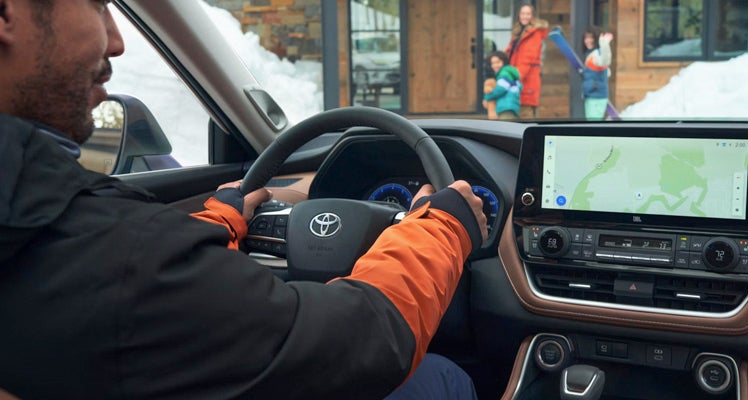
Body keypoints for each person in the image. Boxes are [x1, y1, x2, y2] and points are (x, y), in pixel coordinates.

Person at [0, 1, 487, 399]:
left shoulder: (66, 243)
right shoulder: (115, 262)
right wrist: (442, 228)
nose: (116, 39)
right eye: (97, 4)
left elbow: (168, 286)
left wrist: (218, 223)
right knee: (443, 377)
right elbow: (357, 343)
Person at [505, 3, 548, 119]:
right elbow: (511, 54)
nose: (525, 16)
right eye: (523, 13)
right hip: (517, 81)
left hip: (525, 82)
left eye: (528, 14)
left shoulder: (534, 34)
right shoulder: (519, 32)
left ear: (532, 16)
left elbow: (527, 59)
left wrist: (514, 79)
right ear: (519, 15)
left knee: (526, 117)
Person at [582, 27, 614, 121]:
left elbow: (605, 60)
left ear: (596, 39)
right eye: (586, 38)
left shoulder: (598, 54)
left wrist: (604, 44)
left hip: (597, 97)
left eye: (591, 37)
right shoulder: (591, 54)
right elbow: (607, 72)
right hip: (591, 95)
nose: (588, 40)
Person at [483, 51, 521, 120]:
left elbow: (501, 89)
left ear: (504, 62)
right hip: (512, 105)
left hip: (505, 107)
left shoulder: (504, 73)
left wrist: (487, 97)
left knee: (505, 124)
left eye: (498, 62)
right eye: (493, 63)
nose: (495, 65)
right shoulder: (510, 73)